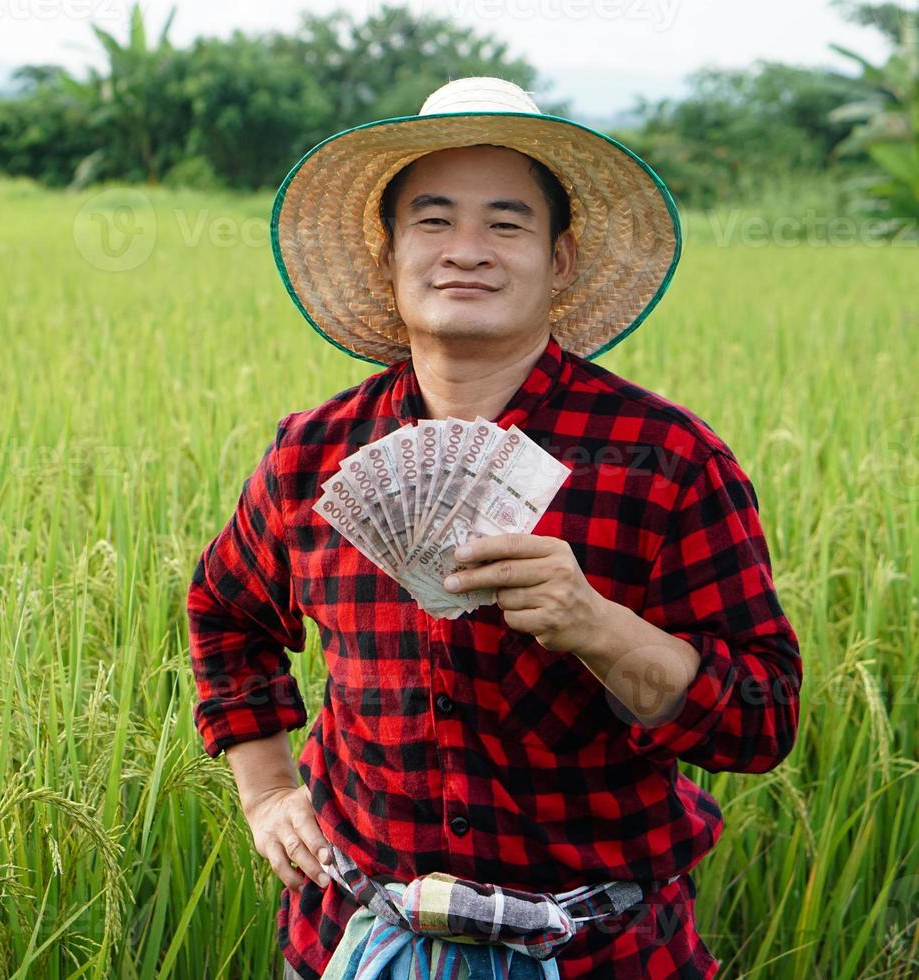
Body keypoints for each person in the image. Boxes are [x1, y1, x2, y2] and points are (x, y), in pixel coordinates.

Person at [186, 77, 802, 979]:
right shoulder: (311, 455)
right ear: (388, 251)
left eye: (506, 224)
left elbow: (762, 719)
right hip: (352, 940)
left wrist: (598, 625)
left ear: (558, 261)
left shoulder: (665, 460)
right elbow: (226, 614)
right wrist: (269, 789)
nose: (465, 251)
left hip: (604, 951)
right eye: (433, 222)